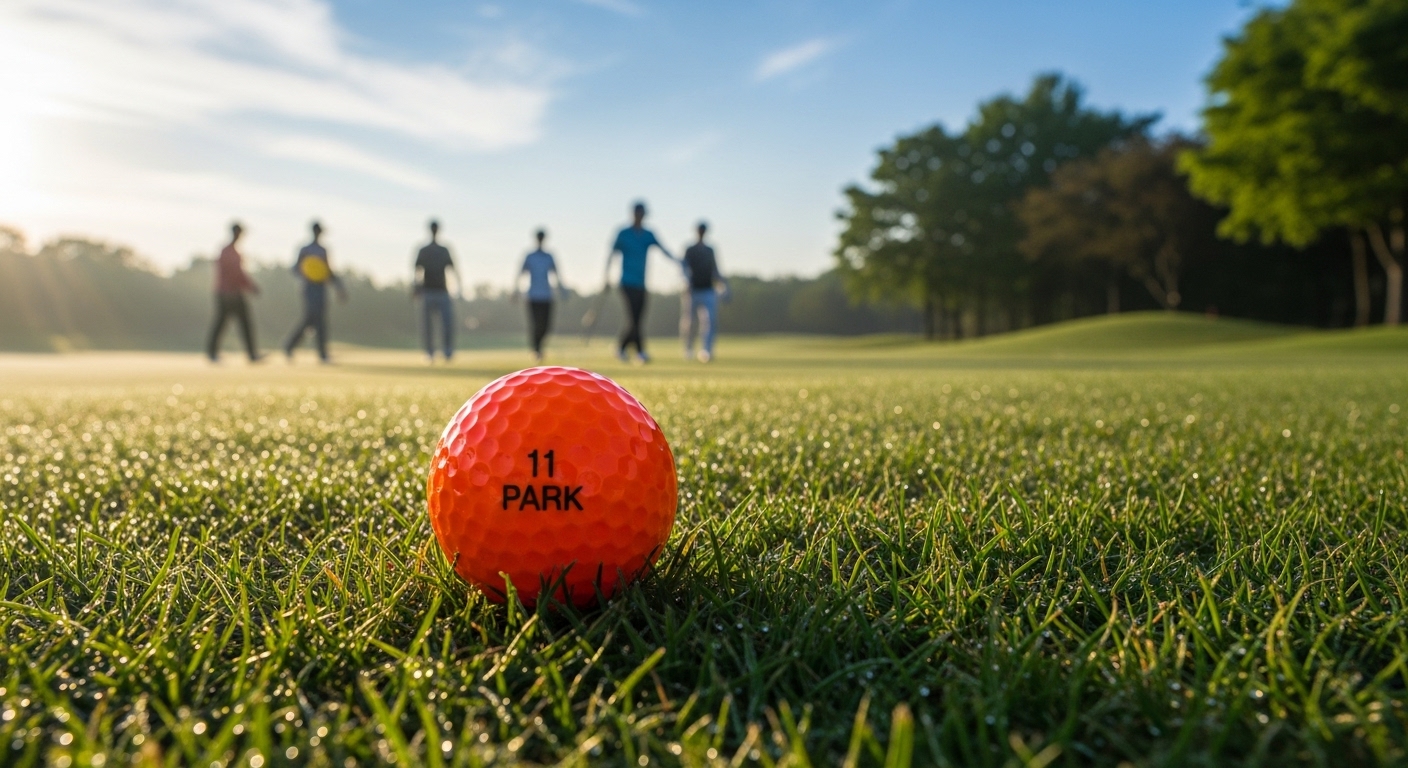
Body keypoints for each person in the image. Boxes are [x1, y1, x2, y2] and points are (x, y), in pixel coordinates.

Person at [604, 201, 677, 363]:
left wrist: (680, 262)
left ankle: (622, 348)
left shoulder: (648, 234)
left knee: (638, 317)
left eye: (642, 213)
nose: (639, 216)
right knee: (633, 317)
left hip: (641, 284)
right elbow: (612, 254)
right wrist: (606, 277)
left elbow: (664, 250)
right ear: (633, 214)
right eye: (637, 213)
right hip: (626, 282)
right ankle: (639, 351)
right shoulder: (623, 233)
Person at [284, 220, 346, 363]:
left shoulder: (323, 250)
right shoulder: (305, 249)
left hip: (320, 288)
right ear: (314, 231)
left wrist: (339, 287)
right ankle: (322, 354)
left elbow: (327, 272)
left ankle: (290, 346)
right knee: (315, 319)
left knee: (313, 320)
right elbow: (295, 268)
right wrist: (304, 275)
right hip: (309, 288)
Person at [206, 222, 262, 363]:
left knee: (244, 323)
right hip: (227, 294)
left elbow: (238, 274)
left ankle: (251, 354)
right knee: (221, 323)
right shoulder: (228, 252)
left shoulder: (233, 252)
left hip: (234, 293)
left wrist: (248, 287)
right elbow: (236, 274)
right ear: (235, 233)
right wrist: (251, 287)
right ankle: (212, 353)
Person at [681, 221, 730, 362]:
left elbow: (715, 269)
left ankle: (706, 350)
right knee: (689, 322)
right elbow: (684, 269)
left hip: (708, 289)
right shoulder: (690, 249)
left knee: (709, 321)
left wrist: (724, 284)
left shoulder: (710, 250)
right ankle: (688, 349)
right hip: (692, 290)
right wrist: (686, 283)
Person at [514, 229, 566, 362]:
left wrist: (562, 289)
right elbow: (521, 273)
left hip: (547, 296)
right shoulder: (530, 256)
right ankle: (536, 349)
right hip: (533, 296)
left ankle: (539, 347)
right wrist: (515, 290)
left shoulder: (549, 256)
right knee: (535, 324)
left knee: (546, 325)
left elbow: (556, 274)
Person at [414, 219, 460, 363]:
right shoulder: (423, 250)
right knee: (427, 325)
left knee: (446, 324)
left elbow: (452, 268)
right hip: (427, 290)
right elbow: (417, 270)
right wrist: (416, 287)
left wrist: (459, 287)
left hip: (443, 291)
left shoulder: (444, 250)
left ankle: (447, 352)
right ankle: (430, 353)